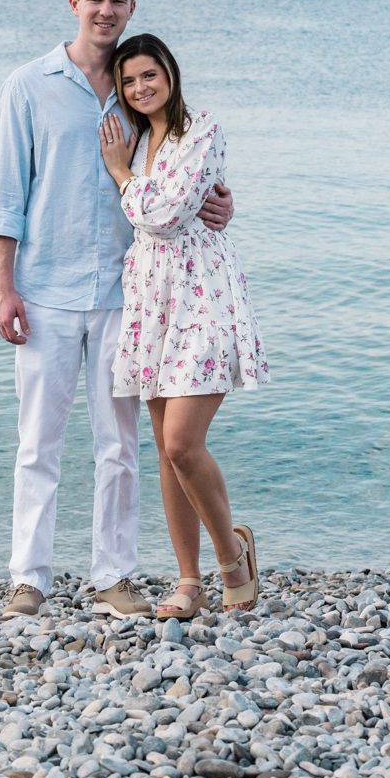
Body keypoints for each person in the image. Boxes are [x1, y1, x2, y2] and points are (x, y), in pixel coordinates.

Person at [0, 0, 234, 619]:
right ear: (73, 1)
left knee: (119, 444)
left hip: (131, 298)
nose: (106, 10)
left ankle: (113, 577)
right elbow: (6, 196)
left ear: (131, 7)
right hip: (45, 290)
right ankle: (27, 578)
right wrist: (3, 287)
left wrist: (220, 202)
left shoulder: (137, 89)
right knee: (39, 441)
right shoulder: (28, 86)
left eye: (118, 0)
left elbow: (178, 175)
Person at [97, 32, 268, 617]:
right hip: (150, 298)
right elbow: (156, 214)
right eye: (129, 81)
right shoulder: (138, 138)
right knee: (166, 451)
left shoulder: (202, 131)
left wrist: (121, 175)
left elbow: (166, 216)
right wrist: (132, 172)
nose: (141, 87)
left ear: (170, 73)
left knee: (182, 441)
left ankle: (232, 560)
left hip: (203, 294)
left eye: (150, 74)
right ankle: (188, 582)